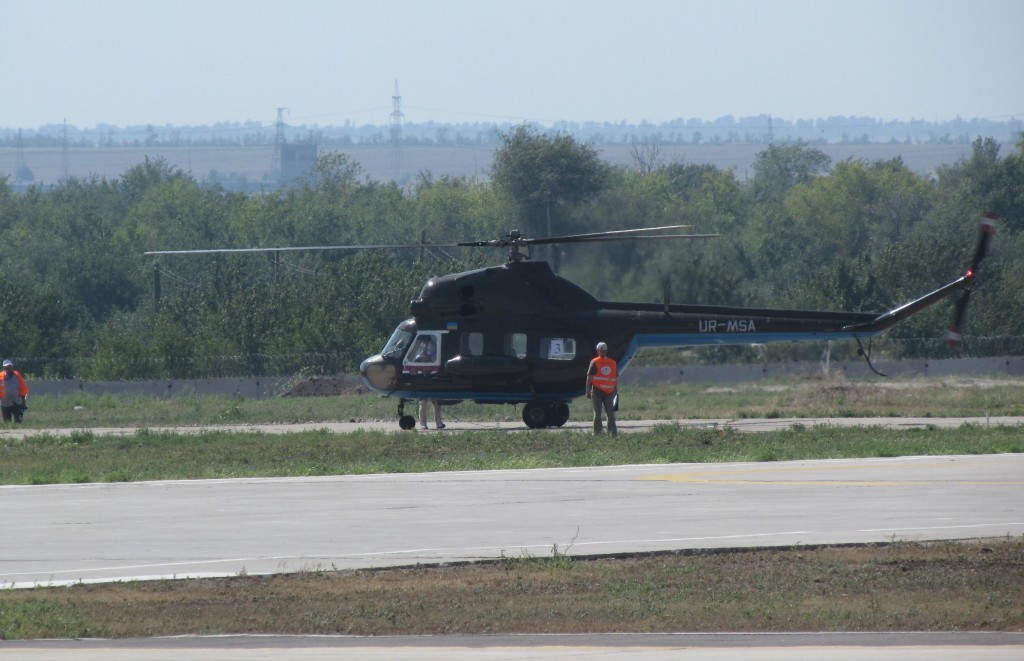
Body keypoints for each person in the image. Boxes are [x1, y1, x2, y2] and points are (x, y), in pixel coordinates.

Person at [585, 342, 617, 435]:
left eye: (603, 350)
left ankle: (605, 433)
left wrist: (615, 391)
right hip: (601, 391)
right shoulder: (598, 362)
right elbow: (590, 377)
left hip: (605, 391)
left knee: (605, 413)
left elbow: (614, 377)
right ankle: (604, 433)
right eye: (601, 350)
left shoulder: (608, 362)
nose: (602, 352)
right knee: (603, 413)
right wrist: (587, 390)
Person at [0, 359, 29, 423]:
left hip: (17, 402)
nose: (8, 368)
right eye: (6, 367)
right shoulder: (0, 376)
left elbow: (23, 388)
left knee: (18, 421)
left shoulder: (17, 375)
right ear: (4, 367)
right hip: (5, 403)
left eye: (9, 366)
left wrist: (23, 402)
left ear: (12, 366)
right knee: (7, 422)